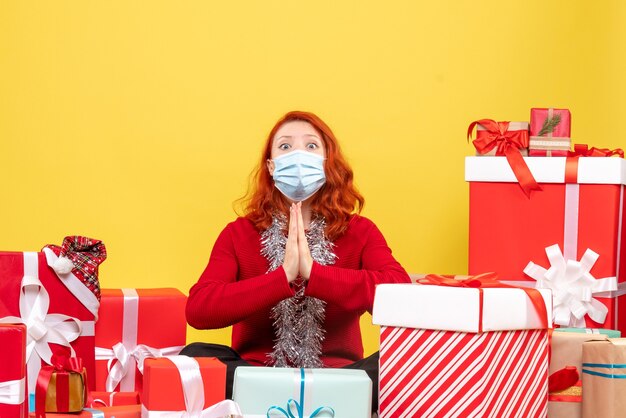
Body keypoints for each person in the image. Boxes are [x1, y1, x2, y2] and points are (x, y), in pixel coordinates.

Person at [182, 110, 411, 413]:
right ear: (271, 165)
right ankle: (279, 397)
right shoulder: (239, 233)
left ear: (328, 163)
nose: (299, 155)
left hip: (341, 379)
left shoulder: (360, 231)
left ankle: (324, 398)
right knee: (192, 358)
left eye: (311, 146)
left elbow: (401, 292)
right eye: (286, 146)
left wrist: (316, 275)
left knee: (405, 361)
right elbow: (199, 309)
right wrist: (283, 277)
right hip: (255, 377)